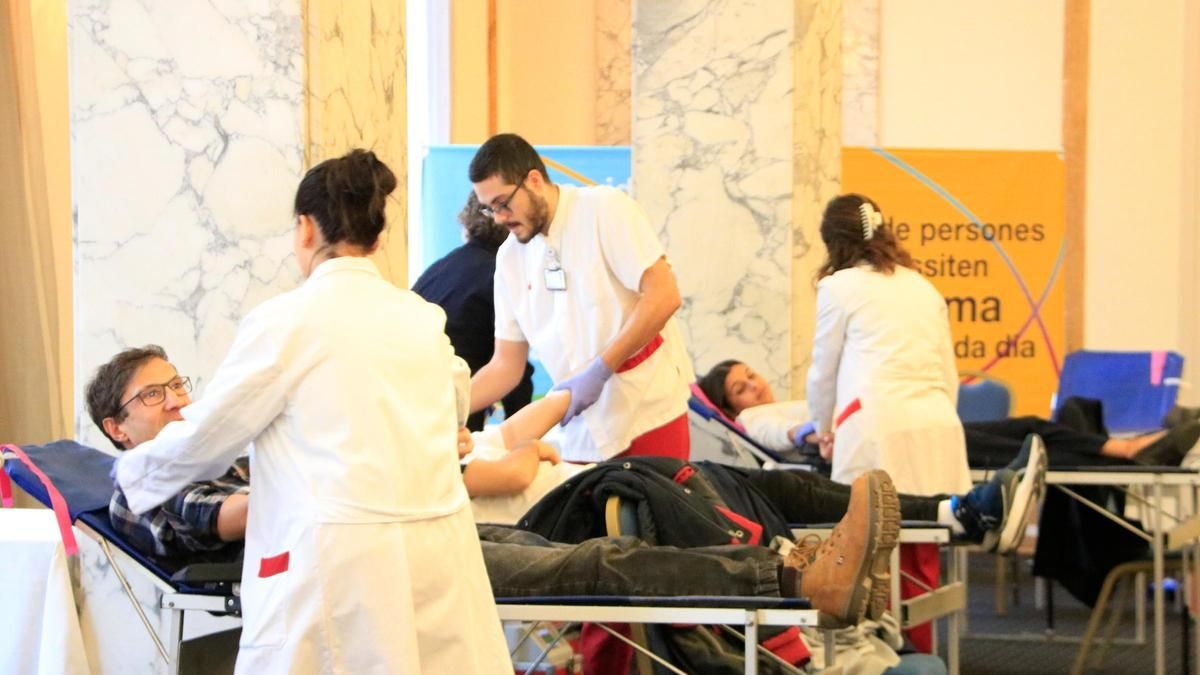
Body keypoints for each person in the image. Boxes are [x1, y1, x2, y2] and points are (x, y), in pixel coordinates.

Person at [86, 344, 923, 673]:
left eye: (177, 383)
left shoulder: (219, 449)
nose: (177, 400)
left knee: (630, 480)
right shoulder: (151, 481)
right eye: (153, 396)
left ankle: (817, 572)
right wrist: (355, 460)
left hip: (422, 522)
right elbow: (239, 518)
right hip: (372, 560)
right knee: (594, 561)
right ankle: (793, 578)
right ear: (116, 426)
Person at [111, 150, 510, 674]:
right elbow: (456, 401)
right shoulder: (421, 318)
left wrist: (129, 472)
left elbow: (206, 435)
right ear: (378, 236)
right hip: (437, 554)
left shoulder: (286, 323)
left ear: (305, 229)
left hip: (341, 564)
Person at [466, 133, 694, 462]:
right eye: (490, 210)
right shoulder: (509, 259)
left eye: (504, 203)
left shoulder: (603, 208)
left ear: (533, 180)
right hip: (579, 429)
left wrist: (600, 369)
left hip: (645, 412)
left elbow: (664, 295)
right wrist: (447, 410)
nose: (500, 218)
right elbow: (506, 365)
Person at [702, 359, 1200, 470]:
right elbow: (788, 432)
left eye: (750, 375)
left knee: (1032, 434)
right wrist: (817, 432)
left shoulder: (784, 396)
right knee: (1029, 441)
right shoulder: (751, 421)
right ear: (730, 408)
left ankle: (1131, 449)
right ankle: (1132, 450)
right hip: (887, 449)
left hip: (904, 430)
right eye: (740, 389)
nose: (754, 385)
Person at [412, 192, 535, 431]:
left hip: (413, 400)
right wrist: (523, 440)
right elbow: (515, 373)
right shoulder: (502, 274)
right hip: (455, 408)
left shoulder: (440, 268)